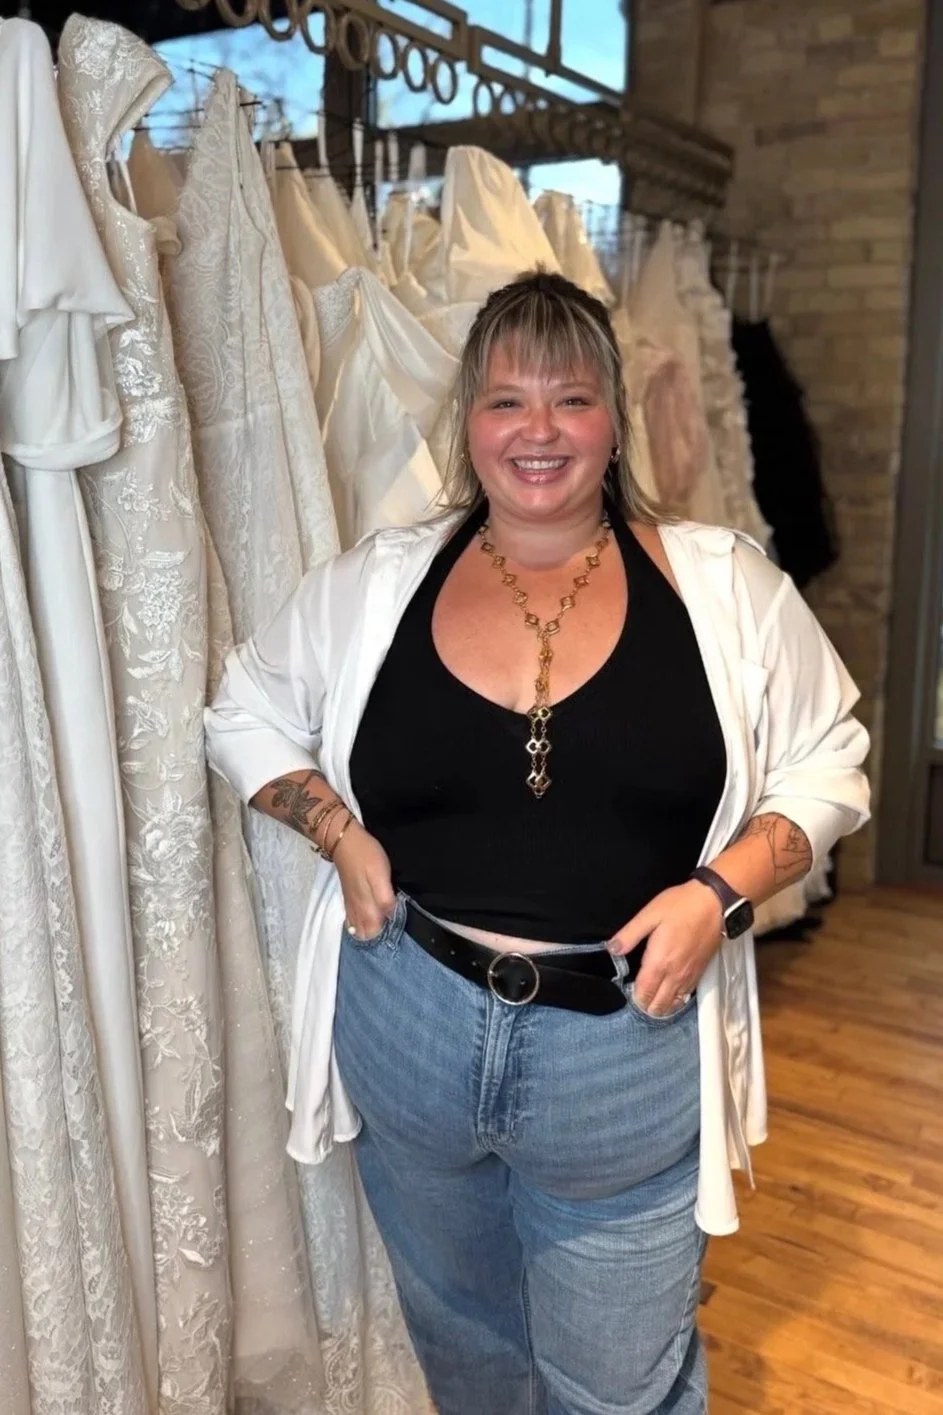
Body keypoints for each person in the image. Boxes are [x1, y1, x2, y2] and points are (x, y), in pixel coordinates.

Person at [205, 270, 870, 1415]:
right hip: (408, 1012)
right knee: (468, 1354)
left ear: (615, 419)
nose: (538, 431)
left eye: (569, 399)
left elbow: (832, 759)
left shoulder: (722, 584)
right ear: (467, 422)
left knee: (619, 1385)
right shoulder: (378, 582)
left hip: (624, 1040)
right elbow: (242, 709)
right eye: (506, 400)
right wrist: (336, 830)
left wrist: (719, 891)